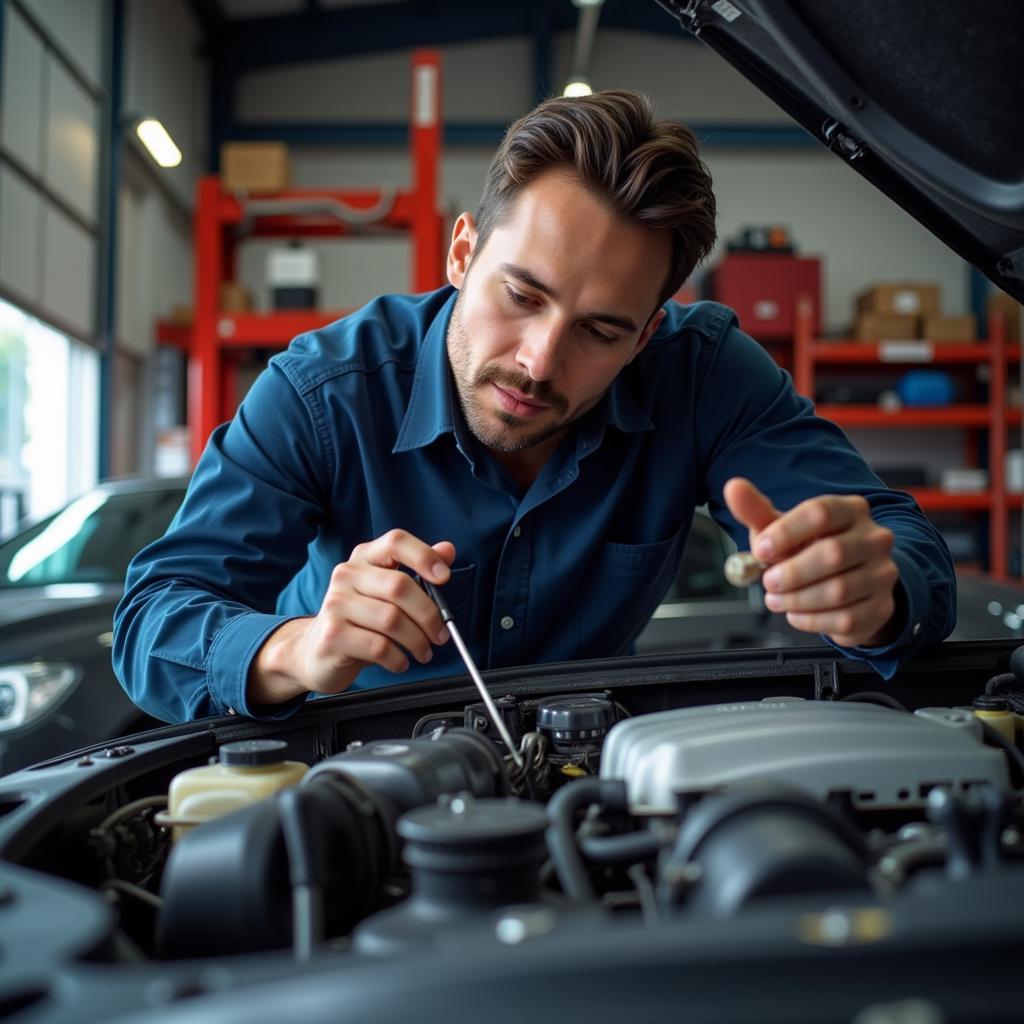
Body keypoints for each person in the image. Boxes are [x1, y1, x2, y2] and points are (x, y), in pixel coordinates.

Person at [113, 91, 955, 723]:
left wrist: (875, 594)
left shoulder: (700, 375)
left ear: (646, 333)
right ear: (462, 251)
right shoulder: (324, 392)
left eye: (599, 330)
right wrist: (295, 648)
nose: (538, 360)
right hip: (350, 784)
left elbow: (901, 543)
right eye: (521, 294)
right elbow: (153, 618)